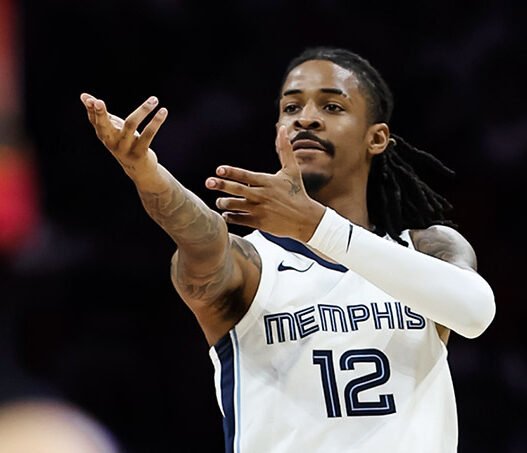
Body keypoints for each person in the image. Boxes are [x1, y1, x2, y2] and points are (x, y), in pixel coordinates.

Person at [80, 46, 495, 453]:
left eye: (332, 107)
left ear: (377, 138)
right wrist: (147, 173)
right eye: (291, 107)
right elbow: (200, 235)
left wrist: (318, 227)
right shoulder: (250, 265)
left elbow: (475, 312)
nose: (306, 118)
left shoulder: (428, 248)